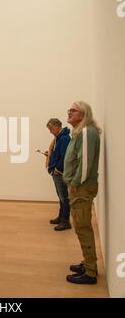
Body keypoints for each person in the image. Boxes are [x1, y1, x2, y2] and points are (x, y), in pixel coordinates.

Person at [63, 101, 101, 285]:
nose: (69, 112)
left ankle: (90, 273)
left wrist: (75, 183)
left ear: (84, 114)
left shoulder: (86, 132)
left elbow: (85, 163)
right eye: (69, 110)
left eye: (73, 110)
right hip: (80, 187)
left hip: (81, 188)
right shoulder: (81, 132)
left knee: (83, 228)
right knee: (81, 227)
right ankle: (88, 263)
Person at [46, 118, 71, 231]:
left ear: (57, 126)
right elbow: (58, 154)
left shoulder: (64, 138)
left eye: (51, 128)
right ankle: (61, 217)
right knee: (61, 197)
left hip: (59, 173)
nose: (50, 131)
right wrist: (50, 154)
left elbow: (65, 156)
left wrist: (58, 169)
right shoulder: (59, 138)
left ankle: (65, 221)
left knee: (64, 197)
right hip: (56, 172)